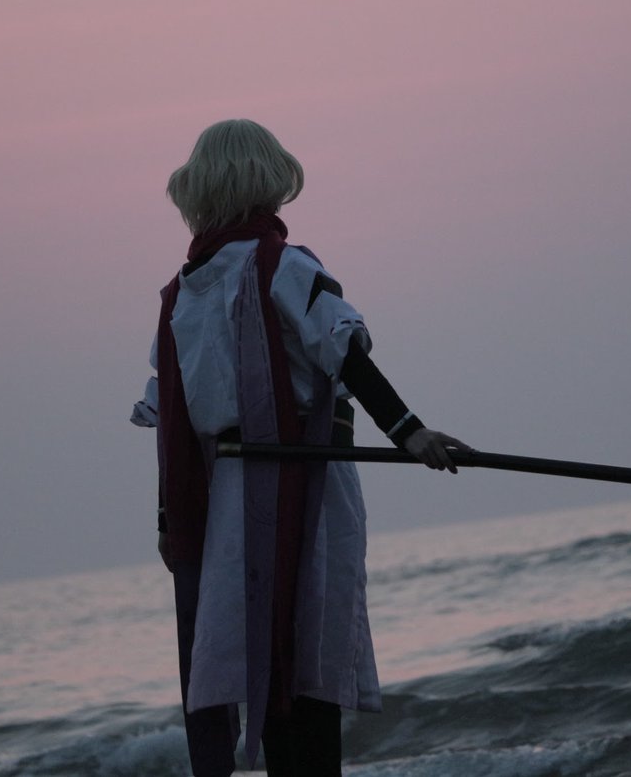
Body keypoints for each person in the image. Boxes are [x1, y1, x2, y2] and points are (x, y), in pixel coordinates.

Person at [131, 119, 468, 777]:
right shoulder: (280, 266)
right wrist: (409, 430)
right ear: (267, 180)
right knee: (302, 652)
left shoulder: (183, 294)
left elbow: (172, 421)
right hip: (299, 487)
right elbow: (344, 353)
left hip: (229, 501)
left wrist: (169, 522)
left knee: (271, 655)